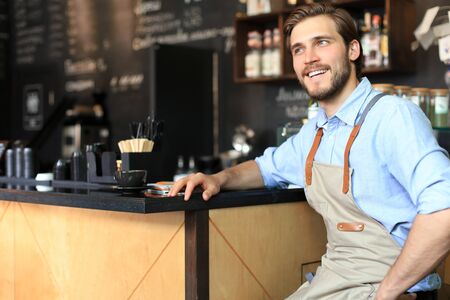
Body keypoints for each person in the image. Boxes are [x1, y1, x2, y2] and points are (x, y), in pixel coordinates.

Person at [169, 3, 450, 300]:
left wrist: (386, 293)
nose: (309, 58)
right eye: (298, 50)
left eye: (322, 43)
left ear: (353, 50)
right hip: (335, 281)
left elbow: (444, 211)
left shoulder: (392, 116)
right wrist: (219, 178)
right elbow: (266, 169)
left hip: (387, 290)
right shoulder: (316, 131)